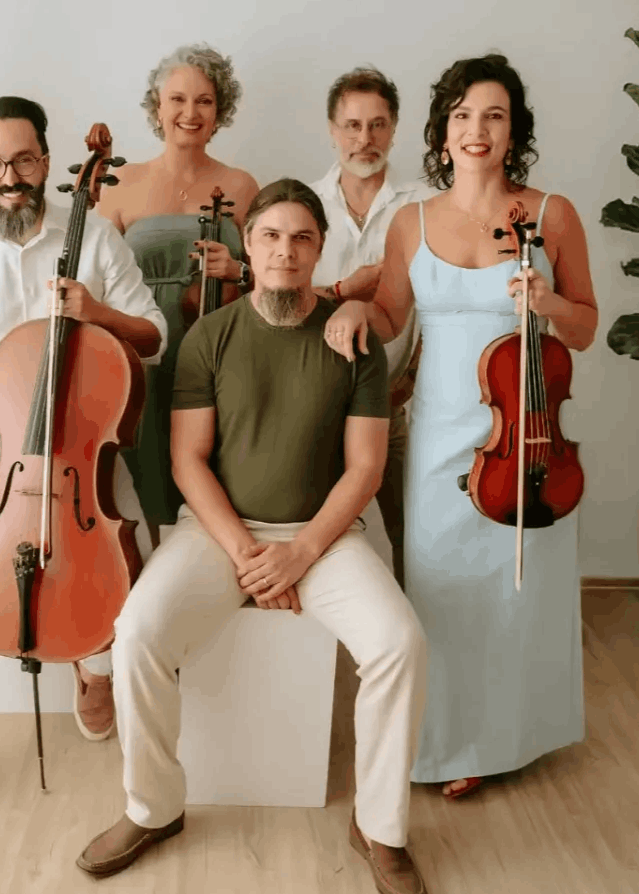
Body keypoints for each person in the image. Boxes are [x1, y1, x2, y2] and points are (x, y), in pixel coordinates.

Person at [78, 179, 430, 894]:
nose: (285, 251)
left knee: (400, 643)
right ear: (248, 244)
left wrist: (299, 553)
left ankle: (379, 826)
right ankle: (153, 808)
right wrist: (245, 553)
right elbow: (188, 460)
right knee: (138, 632)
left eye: (301, 238)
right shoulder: (210, 336)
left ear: (320, 249)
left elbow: (365, 468)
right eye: (270, 236)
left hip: (324, 536)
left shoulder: (353, 339)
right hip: (217, 532)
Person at [324, 54, 597, 800]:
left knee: (519, 591)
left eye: (494, 116)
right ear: (443, 133)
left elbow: (584, 329)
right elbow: (391, 316)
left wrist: (547, 303)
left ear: (514, 131)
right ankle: (446, 737)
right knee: (442, 588)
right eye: (463, 115)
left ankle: (507, 737)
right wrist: (356, 307)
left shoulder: (552, 215)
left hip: (531, 440)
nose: (478, 129)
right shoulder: (411, 223)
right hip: (442, 436)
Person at [0, 96, 167, 850]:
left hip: (85, 452)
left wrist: (97, 313)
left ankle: (95, 668)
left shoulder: (96, 240)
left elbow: (152, 336)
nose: (9, 176)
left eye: (22, 160)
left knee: (126, 575)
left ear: (47, 162)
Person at [97, 44, 260, 546]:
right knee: (145, 481)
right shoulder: (120, 182)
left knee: (220, 478)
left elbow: (271, 276)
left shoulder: (241, 185)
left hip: (221, 354)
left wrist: (239, 270)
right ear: (157, 107)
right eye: (178, 99)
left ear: (219, 111)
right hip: (142, 352)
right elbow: (96, 279)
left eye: (205, 101)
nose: (190, 112)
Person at [309, 67, 434, 589]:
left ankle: (418, 626)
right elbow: (282, 298)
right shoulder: (304, 204)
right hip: (315, 401)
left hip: (395, 399)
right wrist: (344, 289)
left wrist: (412, 382)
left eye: (378, 124)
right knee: (313, 530)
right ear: (332, 130)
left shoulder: (425, 205)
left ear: (395, 128)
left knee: (415, 531)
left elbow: (436, 307)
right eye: (353, 125)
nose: (365, 139)